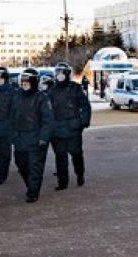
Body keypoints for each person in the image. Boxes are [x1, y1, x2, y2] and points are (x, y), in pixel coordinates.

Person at [10, 68, 54, 203]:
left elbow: (48, 120)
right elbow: (11, 116)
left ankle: (33, 192)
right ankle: (31, 184)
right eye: (22, 81)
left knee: (35, 166)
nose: (24, 83)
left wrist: (43, 138)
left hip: (35, 137)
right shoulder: (17, 96)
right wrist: (12, 134)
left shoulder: (42, 98)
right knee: (20, 163)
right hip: (20, 137)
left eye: (27, 81)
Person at [49, 62, 91, 190]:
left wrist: (83, 121)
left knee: (76, 154)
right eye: (58, 73)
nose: (59, 76)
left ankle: (80, 174)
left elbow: (85, 106)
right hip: (57, 130)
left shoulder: (75, 88)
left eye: (62, 73)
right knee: (60, 157)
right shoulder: (52, 90)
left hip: (73, 128)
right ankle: (62, 182)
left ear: (67, 74)